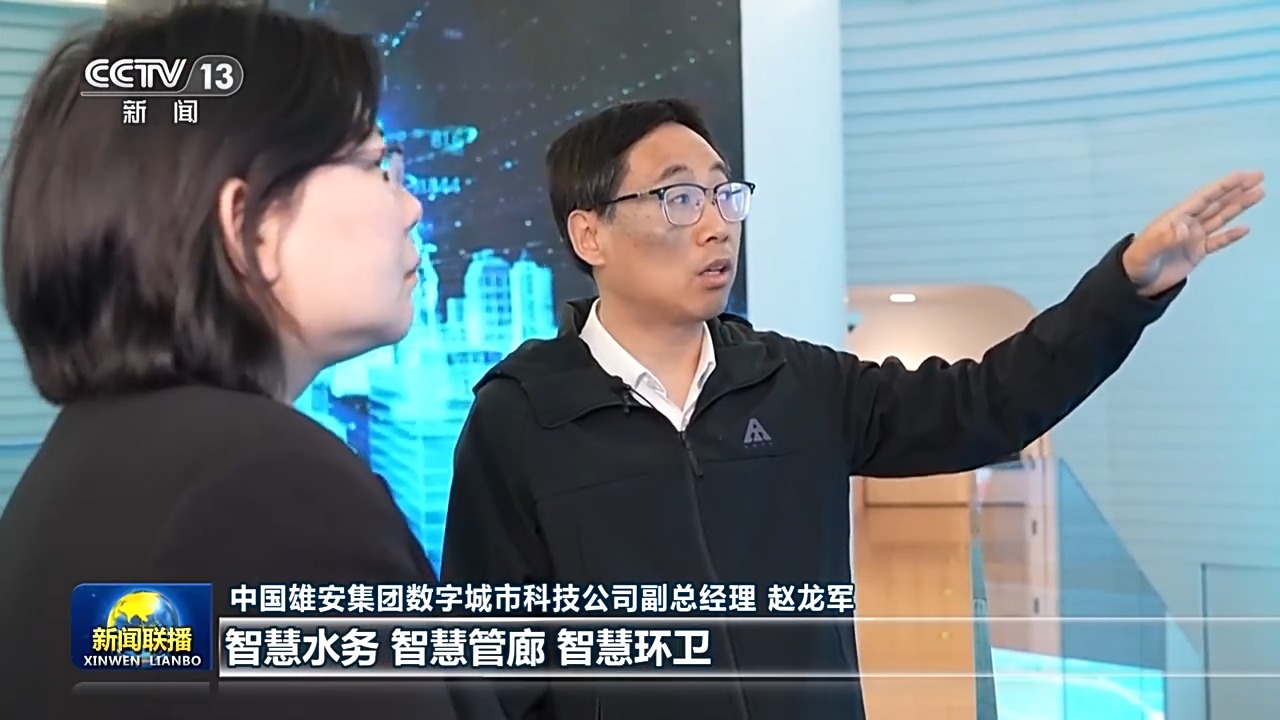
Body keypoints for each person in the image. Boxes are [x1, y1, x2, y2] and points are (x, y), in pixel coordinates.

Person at [442, 97, 1265, 720]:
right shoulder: (523, 415)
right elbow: (490, 664)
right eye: (679, 200)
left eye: (726, 197)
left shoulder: (796, 383)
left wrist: (1127, 288)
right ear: (590, 235)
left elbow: (990, 401)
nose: (717, 227)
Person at [0, 3, 499, 719]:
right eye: (378, 166)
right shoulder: (266, 488)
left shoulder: (101, 458)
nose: (412, 207)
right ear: (248, 225)